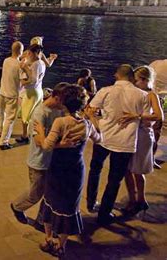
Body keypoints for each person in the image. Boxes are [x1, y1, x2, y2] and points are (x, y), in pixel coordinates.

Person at [34, 85, 102, 257]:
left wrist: (41, 132)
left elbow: (47, 145)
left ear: (64, 104)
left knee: (50, 200)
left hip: (58, 168)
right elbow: (99, 139)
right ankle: (61, 245)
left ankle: (48, 239)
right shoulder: (86, 124)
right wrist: (92, 118)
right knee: (69, 206)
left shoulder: (61, 122)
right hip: (76, 170)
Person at [86, 64, 150, 225]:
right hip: (125, 142)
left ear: (117, 75)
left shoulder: (106, 91)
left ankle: (91, 201)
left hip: (103, 137)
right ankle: (104, 213)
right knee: (114, 179)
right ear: (132, 77)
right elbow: (148, 120)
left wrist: (97, 124)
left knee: (95, 169)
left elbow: (89, 110)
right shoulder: (142, 95)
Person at [11, 82, 75, 223]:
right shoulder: (40, 113)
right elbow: (40, 143)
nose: (65, 106)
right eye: (64, 102)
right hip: (39, 161)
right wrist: (62, 145)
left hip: (52, 160)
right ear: (57, 97)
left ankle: (42, 219)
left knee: (49, 194)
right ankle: (17, 206)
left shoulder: (60, 110)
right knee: (35, 194)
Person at [119, 66, 164, 216]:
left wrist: (137, 116)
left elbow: (159, 116)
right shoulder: (136, 93)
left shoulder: (151, 95)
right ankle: (133, 199)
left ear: (145, 80)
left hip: (143, 135)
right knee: (126, 169)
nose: (133, 83)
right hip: (131, 133)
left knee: (137, 170)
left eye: (136, 80)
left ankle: (140, 199)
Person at [17, 44, 46, 144]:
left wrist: (23, 81)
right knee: (34, 114)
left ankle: (25, 136)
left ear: (35, 53)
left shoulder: (36, 64)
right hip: (39, 91)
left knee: (25, 115)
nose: (28, 55)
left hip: (32, 92)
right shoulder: (41, 63)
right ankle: (33, 133)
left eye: (30, 53)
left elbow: (33, 79)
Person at [0, 41, 24, 150]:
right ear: (20, 52)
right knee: (10, 118)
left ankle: (0, 131)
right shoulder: (19, 65)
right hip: (12, 95)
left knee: (2, 114)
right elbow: (23, 81)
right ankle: (4, 142)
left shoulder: (6, 61)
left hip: (2, 91)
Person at [149, 59, 166, 168]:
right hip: (160, 102)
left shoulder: (156, 63)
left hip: (149, 100)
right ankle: (151, 158)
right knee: (156, 132)